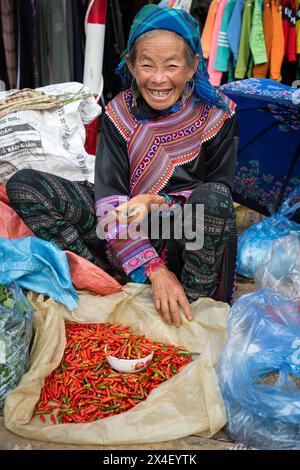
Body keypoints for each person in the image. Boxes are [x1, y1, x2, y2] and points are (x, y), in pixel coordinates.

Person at [7, 5, 238, 328]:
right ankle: (105, 279)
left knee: (212, 198)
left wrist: (158, 204)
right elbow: (110, 201)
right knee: (25, 184)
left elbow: (220, 197)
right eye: (146, 65)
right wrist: (154, 269)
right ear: (131, 64)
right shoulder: (118, 114)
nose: (158, 78)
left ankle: (190, 305)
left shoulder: (218, 115)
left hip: (186, 237)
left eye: (171, 65)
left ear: (192, 66)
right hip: (123, 229)